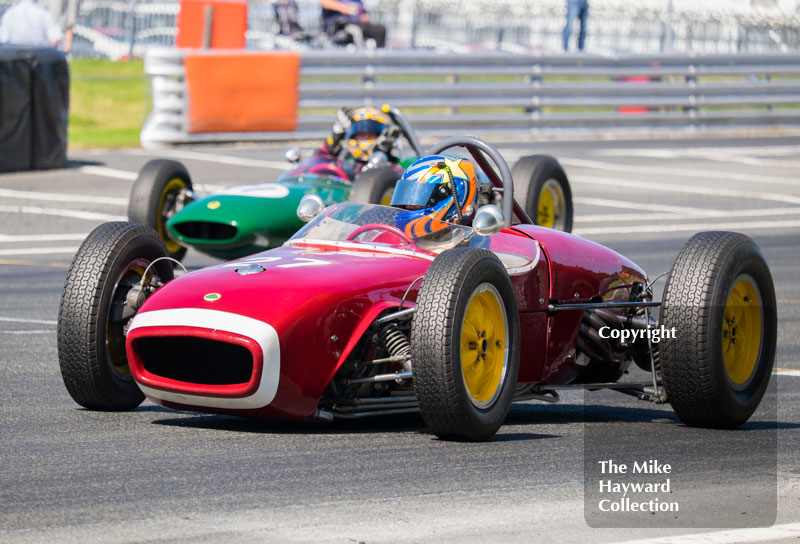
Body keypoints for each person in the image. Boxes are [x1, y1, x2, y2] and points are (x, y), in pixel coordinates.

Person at [390, 155, 478, 238]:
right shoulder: (393, 237)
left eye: (420, 196)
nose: (407, 205)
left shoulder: (477, 245)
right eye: (406, 196)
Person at [321, 105, 400, 171]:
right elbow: (317, 165)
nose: (366, 138)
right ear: (353, 135)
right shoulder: (344, 160)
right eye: (362, 135)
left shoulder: (390, 165)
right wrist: (334, 138)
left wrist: (380, 157)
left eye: (371, 135)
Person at [320, 0, 386, 48]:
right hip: (341, 25)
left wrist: (364, 16)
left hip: (359, 23)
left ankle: (379, 61)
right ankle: (361, 58)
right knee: (356, 30)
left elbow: (363, 12)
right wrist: (345, 8)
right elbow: (325, 2)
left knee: (380, 30)